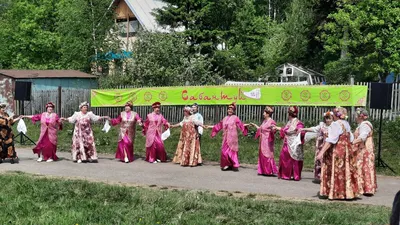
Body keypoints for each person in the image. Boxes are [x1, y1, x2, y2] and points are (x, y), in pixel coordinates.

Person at [317, 107, 358, 200]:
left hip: (337, 151)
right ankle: (346, 192)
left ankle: (336, 192)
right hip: (346, 151)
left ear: (336, 115)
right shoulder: (346, 124)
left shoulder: (335, 124)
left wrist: (321, 152)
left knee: (336, 171)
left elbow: (331, 140)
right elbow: (351, 138)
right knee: (345, 171)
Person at [205, 103, 248, 172]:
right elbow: (219, 126)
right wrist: (210, 127)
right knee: (224, 151)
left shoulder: (235, 118)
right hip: (225, 138)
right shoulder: (225, 118)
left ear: (234, 111)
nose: (230, 111)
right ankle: (227, 164)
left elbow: (240, 125)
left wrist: (245, 129)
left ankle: (234, 164)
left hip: (233, 138)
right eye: (229, 109)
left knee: (232, 151)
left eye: (231, 110)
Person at [300, 111, 334, 183]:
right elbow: (314, 129)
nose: (328, 120)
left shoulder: (334, 127)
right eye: (326, 118)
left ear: (332, 119)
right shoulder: (322, 125)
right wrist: (304, 129)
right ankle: (319, 176)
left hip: (329, 146)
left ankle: (328, 177)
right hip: (320, 146)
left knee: (328, 161)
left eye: (329, 118)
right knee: (319, 160)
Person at [273, 106, 305, 181]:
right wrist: (280, 129)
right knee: (284, 157)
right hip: (287, 142)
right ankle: (286, 174)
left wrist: (299, 130)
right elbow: (285, 130)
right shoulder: (289, 122)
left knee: (293, 158)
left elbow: (300, 130)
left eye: (289, 113)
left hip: (293, 143)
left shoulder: (298, 122)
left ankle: (293, 175)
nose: (289, 115)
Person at [353, 108, 377, 196]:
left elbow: (363, 137)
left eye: (356, 115)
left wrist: (352, 143)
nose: (355, 117)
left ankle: (366, 188)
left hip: (364, 148)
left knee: (364, 165)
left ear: (360, 117)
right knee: (364, 166)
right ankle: (365, 186)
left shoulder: (364, 125)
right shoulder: (362, 125)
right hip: (365, 147)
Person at [250, 106, 277, 176]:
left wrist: (273, 129)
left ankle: (269, 171)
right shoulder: (264, 121)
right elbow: (261, 129)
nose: (263, 114)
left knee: (267, 155)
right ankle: (263, 170)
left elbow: (274, 129)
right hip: (262, 141)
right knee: (262, 154)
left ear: (268, 114)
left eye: (264, 113)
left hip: (268, 141)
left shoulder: (272, 121)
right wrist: (255, 125)